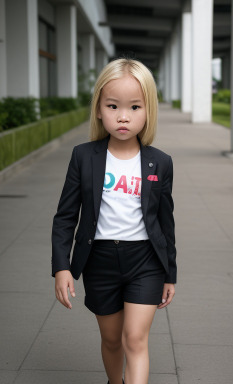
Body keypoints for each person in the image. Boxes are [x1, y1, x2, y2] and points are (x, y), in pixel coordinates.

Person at [51, 58, 177, 384]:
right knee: (111, 339)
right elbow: (66, 216)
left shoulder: (160, 163)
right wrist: (61, 267)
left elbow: (166, 223)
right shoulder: (84, 157)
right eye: (113, 106)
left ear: (148, 111)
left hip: (145, 260)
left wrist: (169, 273)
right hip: (100, 261)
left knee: (134, 339)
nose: (123, 116)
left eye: (135, 107)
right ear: (98, 109)